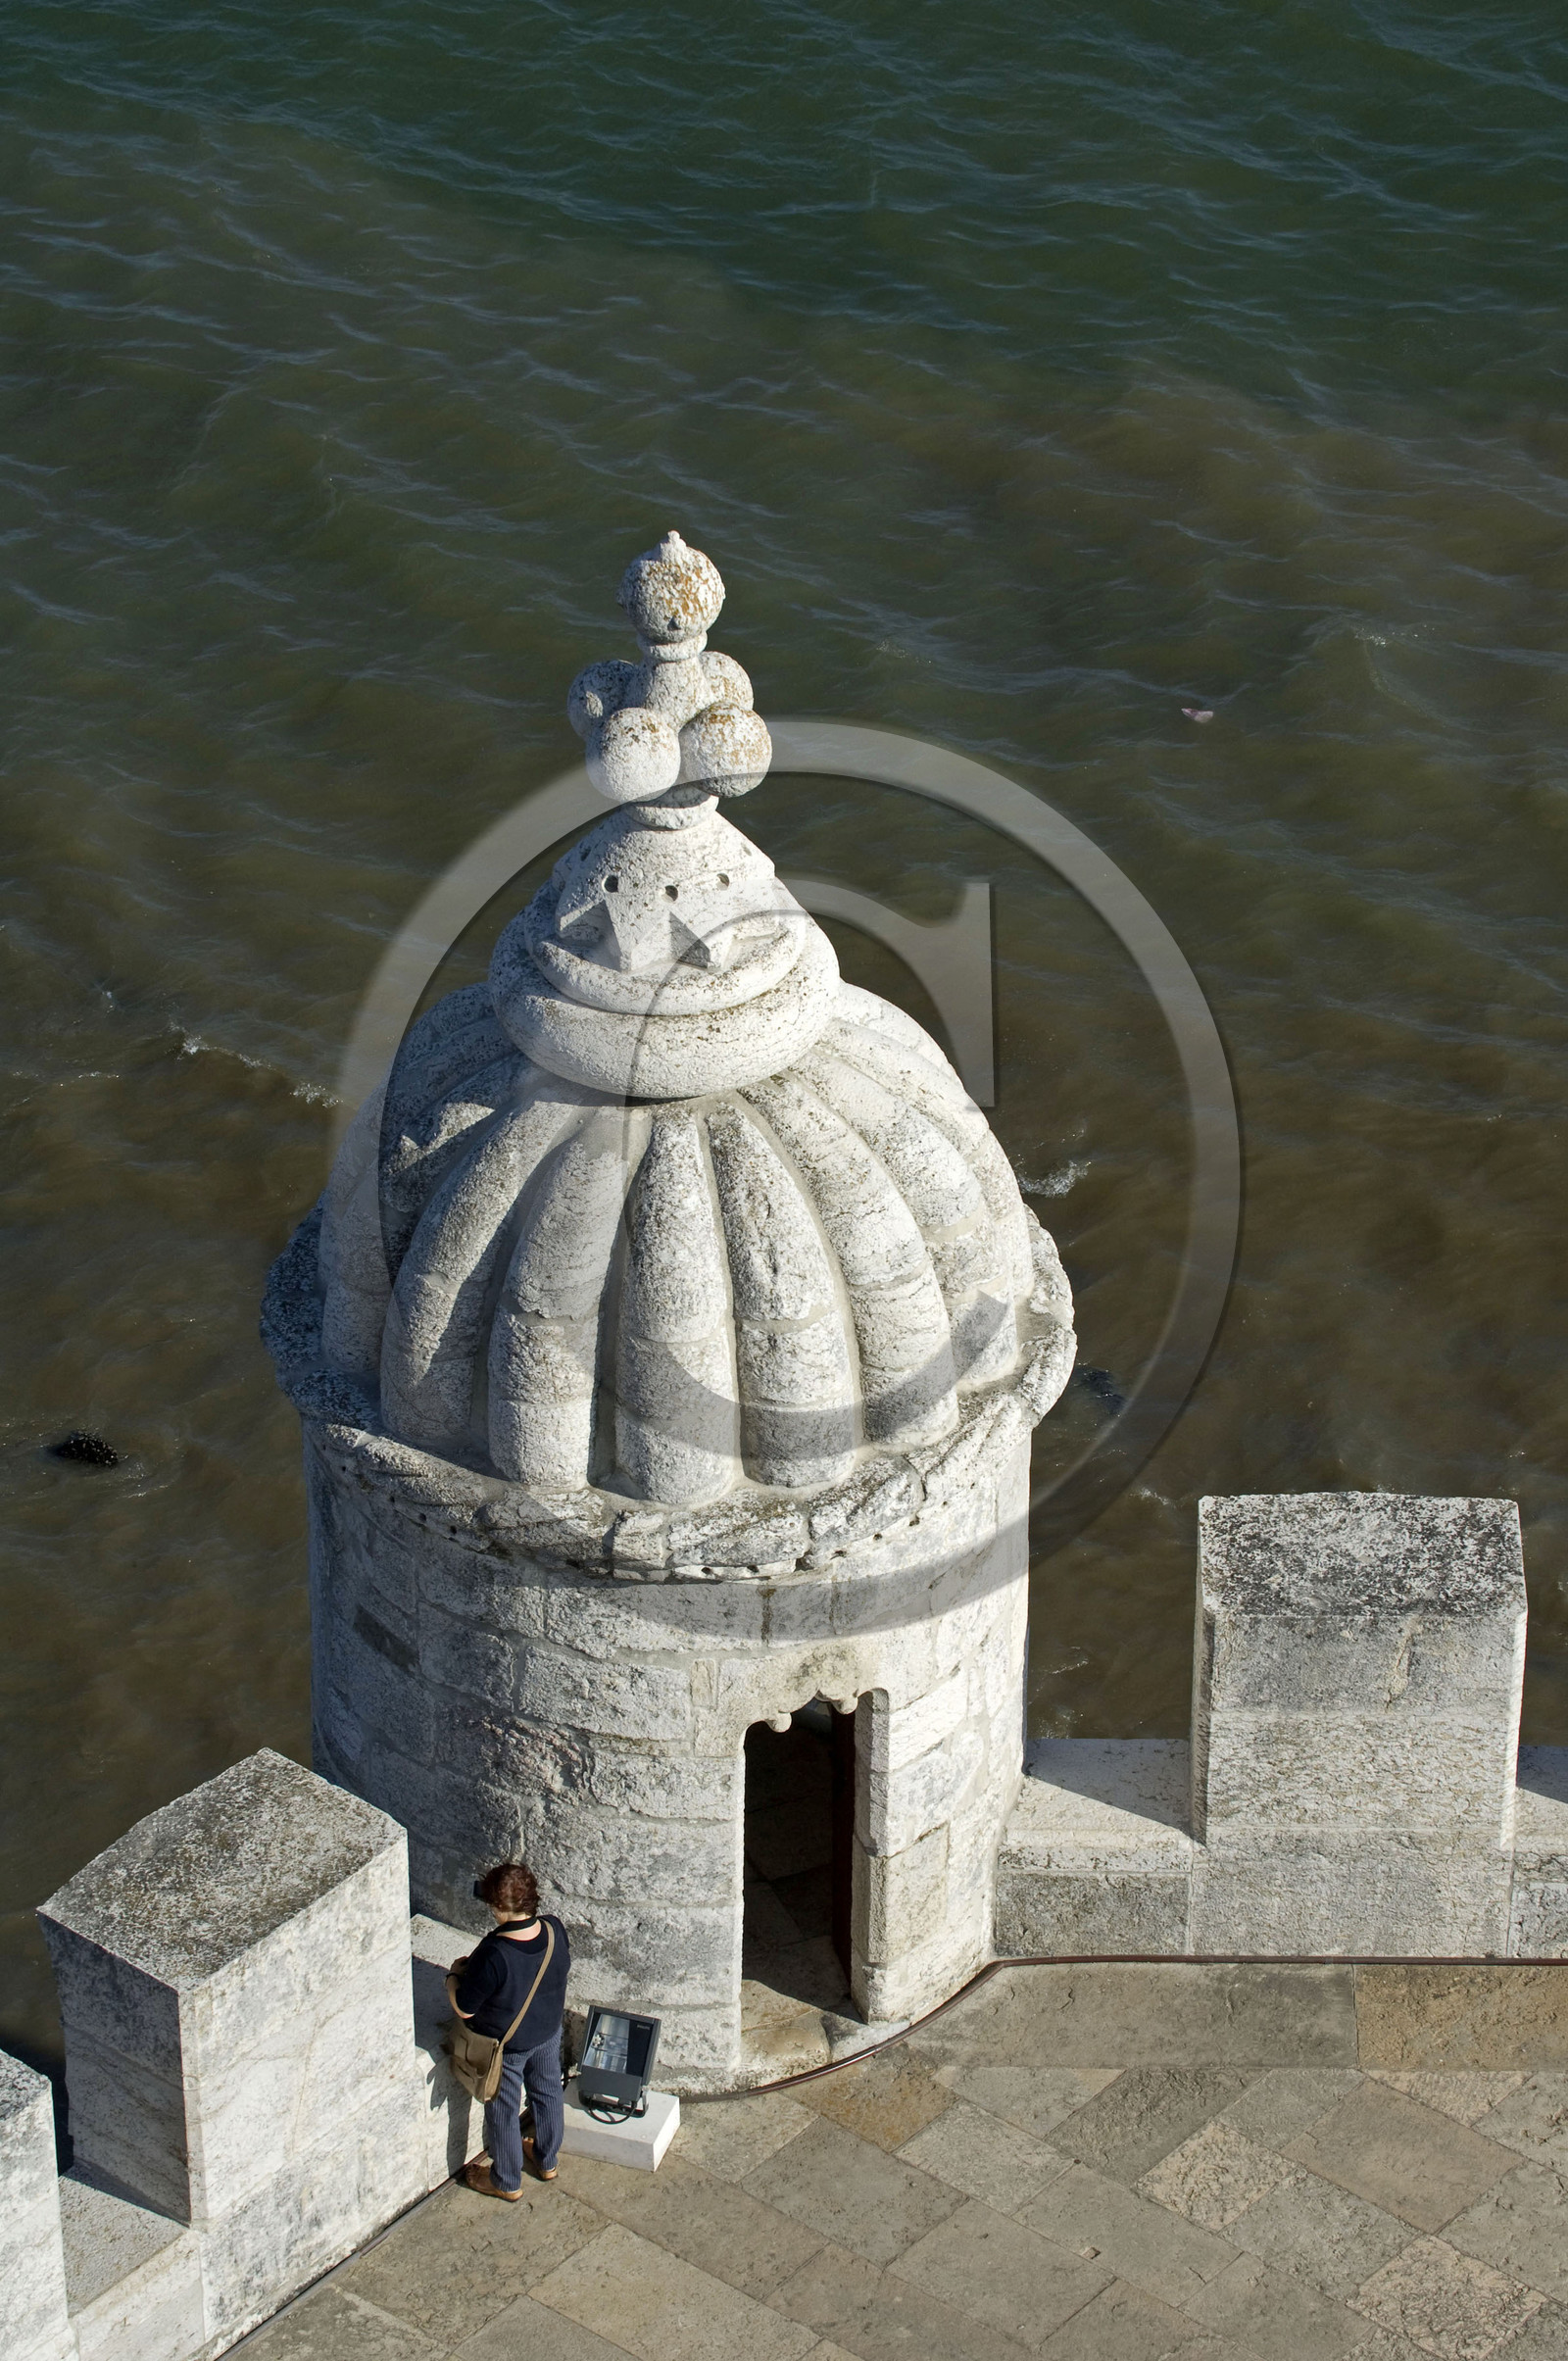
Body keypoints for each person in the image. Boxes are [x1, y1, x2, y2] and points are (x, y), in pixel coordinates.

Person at [447, 1862, 570, 2199]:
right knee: (548, 2094)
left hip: (508, 2046)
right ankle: (547, 2161)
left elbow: (465, 2007)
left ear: (499, 1908)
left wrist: (453, 1978)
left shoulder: (495, 1953)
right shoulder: (554, 1929)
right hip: (547, 2032)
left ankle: (507, 2180)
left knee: (503, 2108)